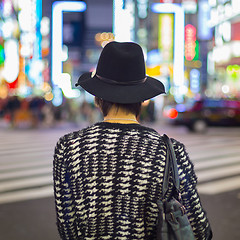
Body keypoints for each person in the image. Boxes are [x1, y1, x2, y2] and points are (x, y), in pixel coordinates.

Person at [53, 41, 212, 240]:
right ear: (142, 101)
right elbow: (198, 228)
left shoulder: (69, 147)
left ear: (97, 99)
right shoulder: (169, 151)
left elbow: (67, 225)